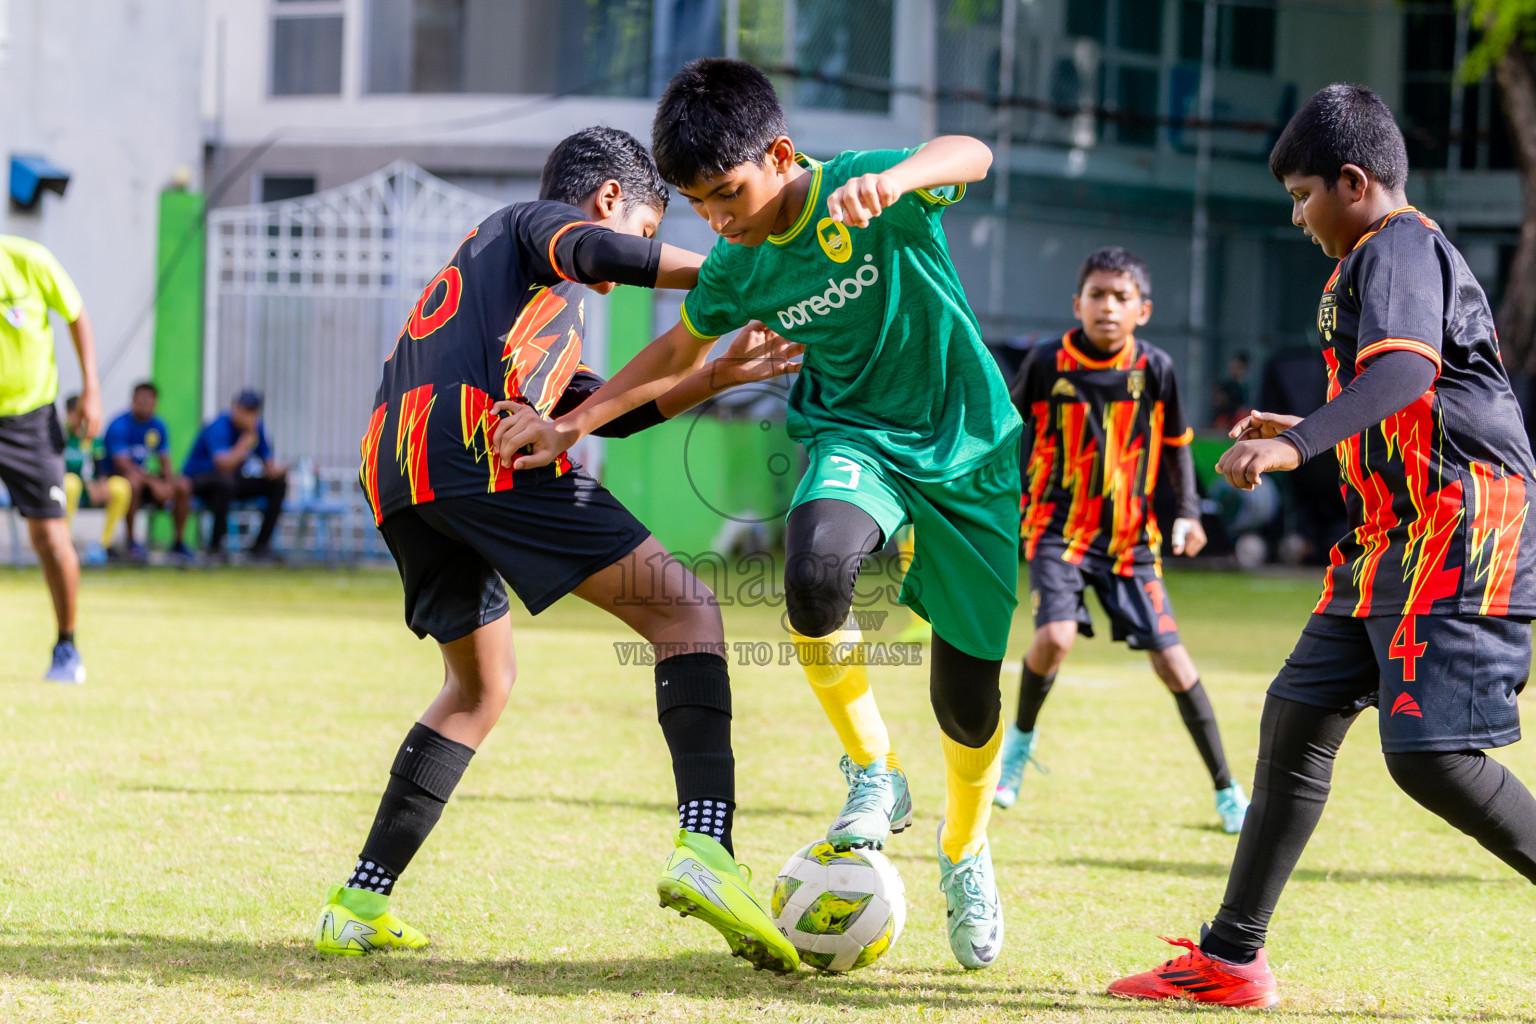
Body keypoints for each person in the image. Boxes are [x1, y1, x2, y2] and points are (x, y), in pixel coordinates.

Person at [501, 59, 1022, 970]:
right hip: (854, 439)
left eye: (728, 193)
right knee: (814, 574)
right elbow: (674, 349)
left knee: (968, 698)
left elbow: (971, 152)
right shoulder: (738, 268)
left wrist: (899, 178)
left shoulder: (868, 187)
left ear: (781, 155)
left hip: (970, 447)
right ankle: (872, 771)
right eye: (701, 205)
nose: (720, 218)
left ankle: (963, 849)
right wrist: (573, 421)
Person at [314, 126, 805, 974]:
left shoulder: (513, 300)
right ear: (612, 202)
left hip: (397, 467)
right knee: (686, 607)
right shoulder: (535, 223)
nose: (629, 267)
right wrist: (739, 273)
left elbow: (601, 407)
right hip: (471, 444)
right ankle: (707, 847)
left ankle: (358, 901)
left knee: (478, 685)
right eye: (648, 234)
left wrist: (717, 376)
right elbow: (590, 247)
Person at [1108, 84, 1536, 1009]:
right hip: (1391, 537)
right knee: (1296, 717)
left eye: (1303, 196)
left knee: (1431, 756)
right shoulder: (1372, 261)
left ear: (1354, 180)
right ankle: (1230, 957)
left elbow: (1412, 370)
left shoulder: (1401, 245)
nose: (1298, 217)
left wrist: (1298, 443)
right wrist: (1313, 421)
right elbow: (1426, 403)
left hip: (1459, 529)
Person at [997, 247, 1249, 833]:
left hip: (1132, 540)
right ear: (1077, 303)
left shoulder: (1156, 369)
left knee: (1173, 662)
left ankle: (1227, 790)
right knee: (1055, 637)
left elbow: (1176, 446)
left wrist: (1187, 513)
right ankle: (1016, 750)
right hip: (1056, 529)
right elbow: (1008, 432)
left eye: (1121, 297)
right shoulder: (1044, 362)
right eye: (1097, 295)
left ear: (1142, 310)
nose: (1107, 307)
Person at [0, 235, 100, 683]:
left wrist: (91, 392)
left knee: (49, 536)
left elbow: (76, 314)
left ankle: (67, 646)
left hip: (30, 421)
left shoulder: (27, 259)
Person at [184, 389, 288, 559]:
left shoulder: (257, 428)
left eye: (253, 411)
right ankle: (215, 547)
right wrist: (246, 439)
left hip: (231, 481)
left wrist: (278, 470)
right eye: (244, 410)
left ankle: (261, 546)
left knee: (277, 485)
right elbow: (223, 465)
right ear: (234, 407)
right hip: (202, 479)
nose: (248, 415)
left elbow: (267, 464)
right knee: (225, 483)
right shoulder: (219, 425)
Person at [103, 382, 193, 560]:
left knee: (183, 485)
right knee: (132, 483)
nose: (145, 405)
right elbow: (123, 465)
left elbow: (165, 459)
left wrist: (168, 483)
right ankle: (131, 541)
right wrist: (154, 483)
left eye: (150, 401)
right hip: (120, 479)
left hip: (149, 480)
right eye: (141, 400)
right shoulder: (119, 425)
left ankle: (178, 542)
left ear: (155, 403)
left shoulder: (158, 426)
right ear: (133, 401)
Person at [61, 393, 131, 564]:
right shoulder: (59, 435)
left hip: (91, 490)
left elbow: (99, 466)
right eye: (76, 414)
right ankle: (64, 543)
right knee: (71, 482)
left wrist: (102, 485)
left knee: (121, 487)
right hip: (66, 489)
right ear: (68, 414)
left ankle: (104, 544)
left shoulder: (92, 436)